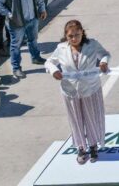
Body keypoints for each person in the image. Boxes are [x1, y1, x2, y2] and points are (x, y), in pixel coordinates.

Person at [45, 20, 110, 164]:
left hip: (90, 89)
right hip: (70, 91)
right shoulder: (61, 49)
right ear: (66, 37)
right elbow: (49, 62)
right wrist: (54, 71)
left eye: (77, 35)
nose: (74, 39)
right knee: (75, 120)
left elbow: (105, 54)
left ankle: (93, 146)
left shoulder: (92, 44)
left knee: (91, 117)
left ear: (82, 32)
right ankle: (81, 147)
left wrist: (103, 62)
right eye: (70, 36)